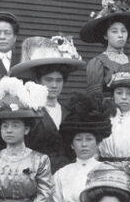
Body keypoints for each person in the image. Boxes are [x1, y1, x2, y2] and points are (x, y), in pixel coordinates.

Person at [10, 35, 85, 172]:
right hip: (36, 174)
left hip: (68, 174)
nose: (54, 85)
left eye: (59, 80)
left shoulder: (70, 112)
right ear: (38, 80)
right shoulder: (30, 112)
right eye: (48, 80)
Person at [81, 0, 130, 99]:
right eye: (114, 31)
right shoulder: (98, 63)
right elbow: (95, 99)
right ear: (105, 35)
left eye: (123, 31)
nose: (120, 35)